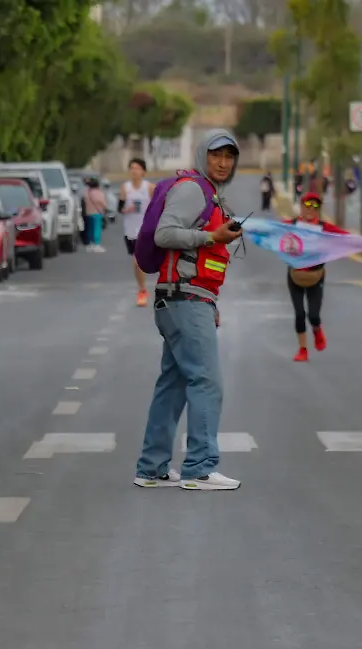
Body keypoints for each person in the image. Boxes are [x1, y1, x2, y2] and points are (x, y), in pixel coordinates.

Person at [133, 129, 244, 492]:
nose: (223, 162)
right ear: (202, 155)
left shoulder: (208, 194)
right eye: (216, 155)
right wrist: (212, 237)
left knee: (175, 384)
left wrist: (209, 302)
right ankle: (199, 467)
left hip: (184, 298)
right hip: (183, 300)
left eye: (229, 156)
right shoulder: (194, 189)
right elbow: (165, 234)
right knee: (207, 382)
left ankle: (152, 468)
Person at [284, 192, 347, 361]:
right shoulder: (292, 225)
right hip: (295, 275)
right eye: (308, 205)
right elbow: (271, 229)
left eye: (315, 206)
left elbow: (344, 236)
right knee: (299, 313)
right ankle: (303, 349)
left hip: (316, 276)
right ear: (301, 206)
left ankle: (317, 330)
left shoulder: (323, 228)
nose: (311, 209)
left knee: (313, 315)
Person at [120, 158, 154, 307]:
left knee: (137, 261)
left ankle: (142, 291)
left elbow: (158, 206)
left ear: (143, 172)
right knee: (136, 264)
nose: (134, 171)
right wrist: (126, 209)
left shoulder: (150, 188)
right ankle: (142, 288)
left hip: (145, 230)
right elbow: (119, 208)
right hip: (130, 229)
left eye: (137, 168)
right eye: (132, 168)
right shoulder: (125, 188)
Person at [82, 177, 108, 252]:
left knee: (90, 229)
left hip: (88, 212)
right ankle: (96, 244)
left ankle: (90, 244)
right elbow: (101, 202)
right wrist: (105, 207)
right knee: (97, 229)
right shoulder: (98, 192)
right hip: (97, 212)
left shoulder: (86, 192)